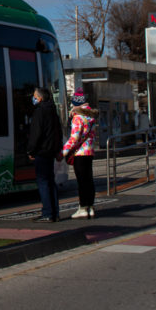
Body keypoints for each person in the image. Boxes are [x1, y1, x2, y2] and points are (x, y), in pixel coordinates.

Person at [26, 86, 63, 222]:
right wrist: (58, 149)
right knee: (50, 182)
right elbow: (58, 132)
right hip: (51, 151)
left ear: (40, 98)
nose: (33, 98)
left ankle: (47, 213)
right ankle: (55, 212)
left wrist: (31, 150)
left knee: (43, 182)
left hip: (41, 151)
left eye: (35, 96)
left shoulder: (39, 112)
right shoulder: (53, 111)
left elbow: (36, 134)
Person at [62, 88, 98, 219]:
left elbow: (74, 139)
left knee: (82, 182)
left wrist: (63, 152)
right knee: (89, 180)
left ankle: (83, 208)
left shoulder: (78, 118)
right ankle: (91, 206)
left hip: (80, 154)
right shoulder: (91, 117)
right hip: (89, 152)